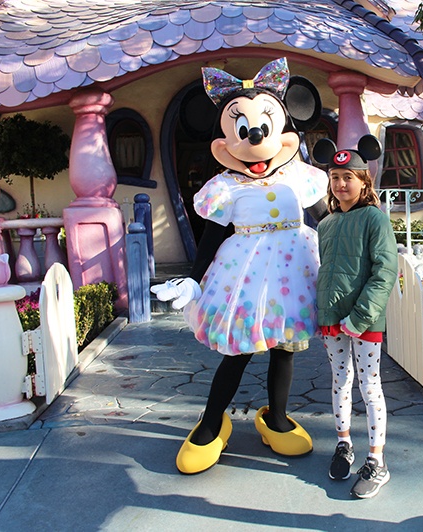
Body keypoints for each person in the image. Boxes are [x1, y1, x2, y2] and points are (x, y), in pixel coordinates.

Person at [151, 58, 329, 474]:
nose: (255, 138)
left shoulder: (302, 177)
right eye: (241, 129)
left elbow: (327, 220)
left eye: (265, 127)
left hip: (294, 275)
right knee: (239, 351)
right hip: (245, 278)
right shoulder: (224, 188)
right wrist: (193, 279)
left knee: (284, 350)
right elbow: (211, 236)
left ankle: (277, 418)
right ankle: (212, 422)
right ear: (223, 140)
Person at [312, 135, 398, 499]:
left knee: (369, 386)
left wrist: (359, 318)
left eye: (348, 176)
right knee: (340, 381)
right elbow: (326, 271)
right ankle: (343, 443)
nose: (340, 183)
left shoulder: (375, 220)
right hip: (332, 320)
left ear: (365, 181)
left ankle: (377, 461)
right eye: (335, 177)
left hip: (363, 322)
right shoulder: (326, 224)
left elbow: (385, 271)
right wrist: (323, 313)